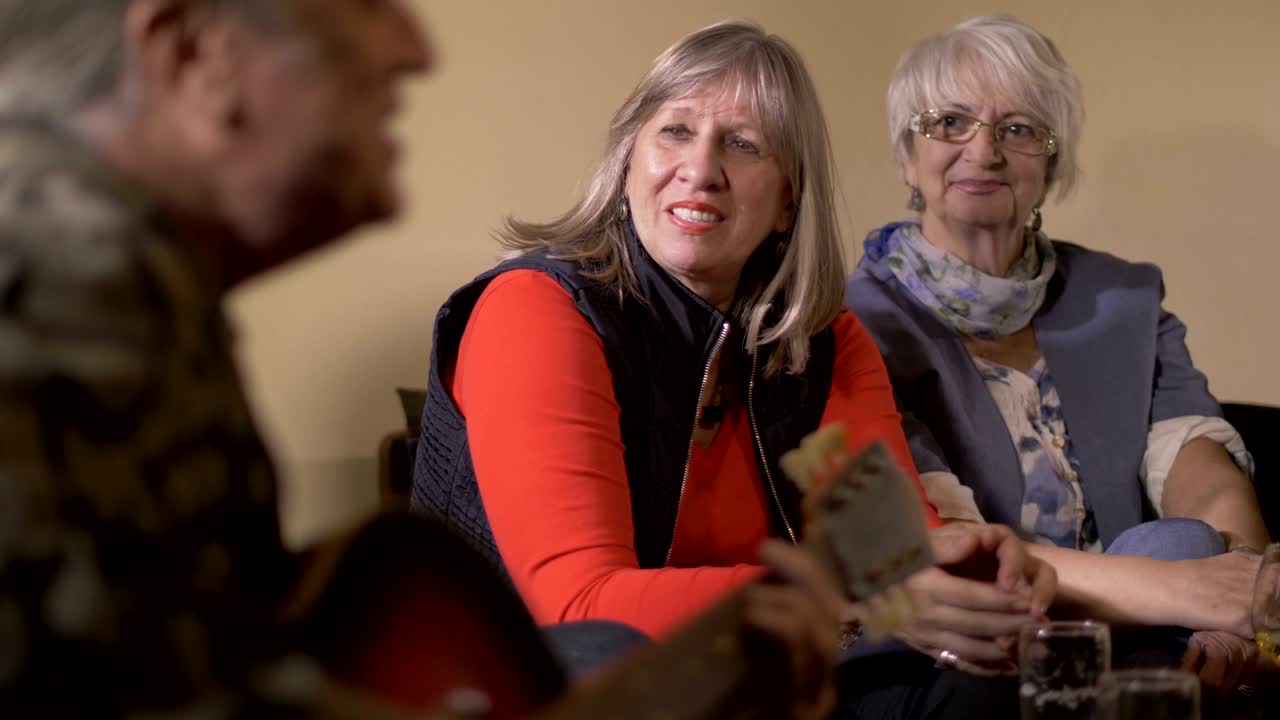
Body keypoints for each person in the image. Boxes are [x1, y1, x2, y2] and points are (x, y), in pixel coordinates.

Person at [0, 2, 849, 718]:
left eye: (745, 146)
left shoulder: (132, 278)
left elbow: (208, 668)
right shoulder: (65, 283)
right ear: (191, 58)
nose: (415, 46)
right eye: (363, 3)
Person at [414, 18, 1056, 718]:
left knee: (985, 669)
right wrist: (855, 598)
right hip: (538, 690)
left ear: (787, 200)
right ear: (630, 159)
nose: (700, 169)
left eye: (744, 145)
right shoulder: (537, 308)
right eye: (676, 132)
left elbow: (889, 555)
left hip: (755, 684)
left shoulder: (826, 340)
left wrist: (966, 574)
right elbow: (579, 607)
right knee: (606, 650)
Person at [844, 14, 1275, 706]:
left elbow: (1202, 475)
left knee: (1187, 540)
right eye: (949, 122)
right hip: (962, 639)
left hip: (1149, 627)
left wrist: (1245, 606)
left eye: (1018, 129)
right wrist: (1184, 592)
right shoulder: (852, 323)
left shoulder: (1123, 299)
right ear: (907, 153)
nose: (982, 151)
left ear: (1052, 166)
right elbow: (946, 547)